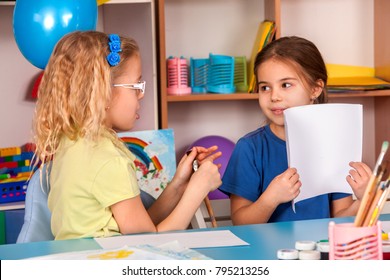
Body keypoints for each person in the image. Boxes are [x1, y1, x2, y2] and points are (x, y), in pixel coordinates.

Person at [32, 31, 222, 240]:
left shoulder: (72, 142)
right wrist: (199, 189)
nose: (141, 94)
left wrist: (179, 185)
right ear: (103, 91)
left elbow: (139, 225)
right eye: (136, 86)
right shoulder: (108, 160)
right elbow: (149, 239)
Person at [219, 36, 372, 225]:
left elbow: (340, 218)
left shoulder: (334, 147)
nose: (274, 96)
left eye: (286, 85)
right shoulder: (249, 148)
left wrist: (365, 198)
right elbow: (241, 223)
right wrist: (271, 198)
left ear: (315, 89)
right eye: (265, 87)